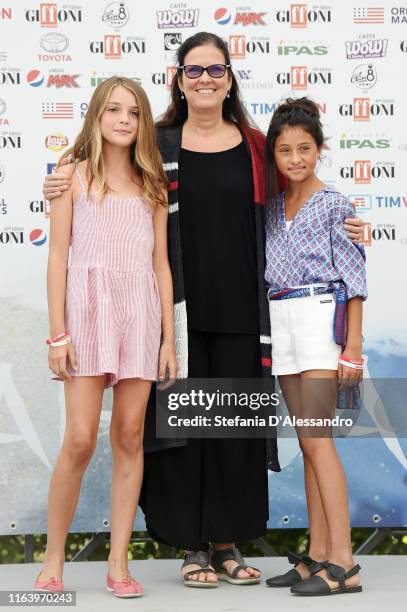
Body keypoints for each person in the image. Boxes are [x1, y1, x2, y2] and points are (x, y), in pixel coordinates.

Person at [42, 32, 365, 589]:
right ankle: (191, 550)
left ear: (230, 78)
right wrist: (60, 172)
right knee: (181, 432)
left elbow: (300, 183)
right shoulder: (155, 144)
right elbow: (100, 157)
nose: (207, 79)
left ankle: (226, 545)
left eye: (217, 69)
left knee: (231, 431)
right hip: (174, 315)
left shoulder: (258, 146)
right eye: (195, 71)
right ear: (179, 80)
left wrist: (347, 223)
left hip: (244, 311)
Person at [35, 77, 177, 598]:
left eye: (134, 112)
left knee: (129, 437)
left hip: (139, 314)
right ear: (96, 115)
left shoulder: (153, 183)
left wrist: (168, 339)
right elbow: (57, 259)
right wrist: (57, 334)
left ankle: (118, 563)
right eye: (113, 109)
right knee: (78, 439)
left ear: (143, 123)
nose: (123, 119)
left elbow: (161, 265)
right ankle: (53, 560)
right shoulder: (69, 175)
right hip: (87, 311)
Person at [264, 98, 366, 596]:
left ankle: (345, 562)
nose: (296, 158)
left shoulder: (336, 204)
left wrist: (353, 346)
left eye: (304, 148)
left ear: (319, 149)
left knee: (319, 440)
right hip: (280, 320)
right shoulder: (270, 210)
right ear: (274, 156)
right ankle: (319, 553)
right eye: (285, 150)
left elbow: (354, 281)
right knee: (306, 444)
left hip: (320, 319)